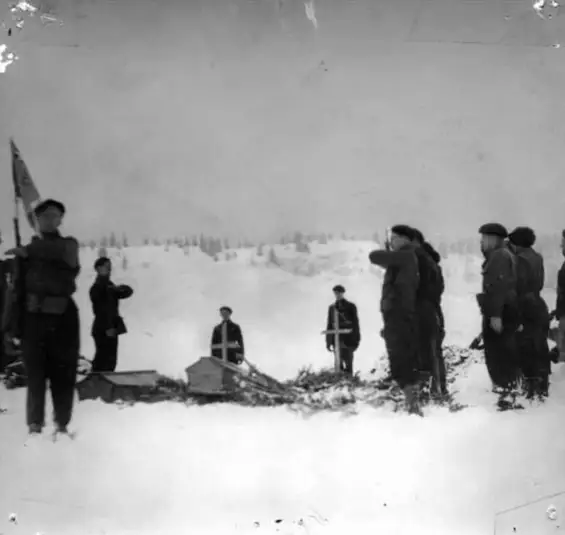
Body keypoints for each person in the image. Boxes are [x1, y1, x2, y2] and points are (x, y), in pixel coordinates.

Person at [5, 199, 80, 436]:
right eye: (44, 216)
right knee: (35, 376)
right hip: (33, 320)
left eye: (55, 215)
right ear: (36, 221)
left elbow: (59, 252)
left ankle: (62, 424)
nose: (50, 219)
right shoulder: (24, 255)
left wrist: (28, 251)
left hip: (63, 320)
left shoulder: (68, 246)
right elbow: (16, 292)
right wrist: (9, 329)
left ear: (61, 220)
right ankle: (35, 425)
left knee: (64, 375)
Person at [369, 224, 421, 415]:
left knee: (400, 358)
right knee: (402, 357)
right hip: (399, 315)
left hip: (399, 314)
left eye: (394, 239)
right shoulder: (405, 258)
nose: (392, 242)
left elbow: (374, 256)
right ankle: (411, 399)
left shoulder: (406, 255)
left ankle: (412, 403)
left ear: (404, 239)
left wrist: (387, 252)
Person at [476, 223, 520, 396]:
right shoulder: (502, 254)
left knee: (498, 352)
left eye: (484, 239)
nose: (482, 243)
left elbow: (497, 287)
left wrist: (495, 315)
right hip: (504, 309)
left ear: (493, 239)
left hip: (500, 311)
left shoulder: (499, 256)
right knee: (502, 350)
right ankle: (506, 388)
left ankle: (505, 390)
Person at [507, 226, 550, 399]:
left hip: (525, 306)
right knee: (540, 345)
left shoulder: (519, 260)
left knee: (526, 345)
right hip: (538, 304)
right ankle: (542, 383)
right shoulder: (537, 257)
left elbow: (518, 286)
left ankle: (531, 387)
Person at [410, 228, 448, 397]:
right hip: (432, 311)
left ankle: (433, 391)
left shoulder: (421, 260)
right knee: (433, 352)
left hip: (424, 312)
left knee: (427, 352)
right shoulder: (429, 260)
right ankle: (438, 390)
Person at [89, 257, 134, 373]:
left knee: (110, 362)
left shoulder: (109, 286)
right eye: (106, 266)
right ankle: (96, 386)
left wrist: (119, 289)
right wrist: (108, 327)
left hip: (111, 328)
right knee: (103, 362)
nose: (109, 269)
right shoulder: (97, 288)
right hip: (104, 328)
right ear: (98, 269)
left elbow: (127, 292)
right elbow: (101, 311)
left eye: (109, 266)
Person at [325, 285, 361, 376]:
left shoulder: (351, 306)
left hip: (348, 339)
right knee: (338, 361)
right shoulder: (332, 308)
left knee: (348, 362)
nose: (337, 295)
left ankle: (349, 382)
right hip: (336, 339)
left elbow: (355, 324)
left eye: (339, 293)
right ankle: (339, 382)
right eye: (335, 293)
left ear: (342, 293)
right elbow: (329, 324)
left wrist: (356, 340)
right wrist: (328, 341)